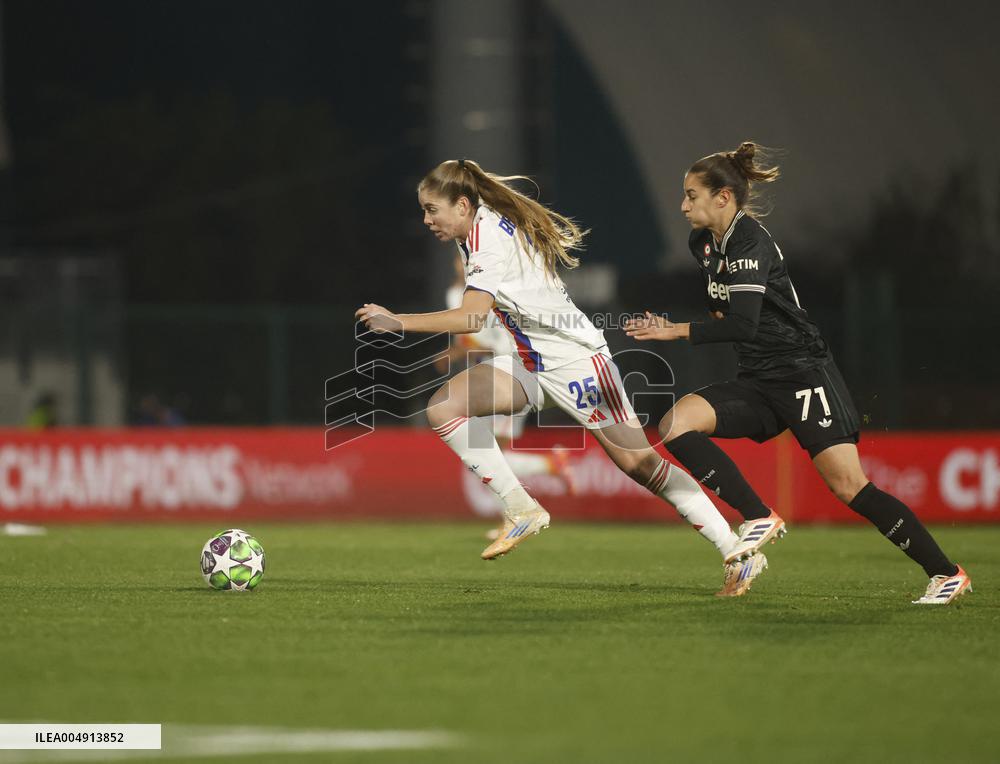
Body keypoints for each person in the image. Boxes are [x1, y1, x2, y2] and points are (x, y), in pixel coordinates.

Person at [357, 158, 769, 597]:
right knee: (444, 406)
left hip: (575, 360)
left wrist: (397, 321)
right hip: (531, 362)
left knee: (640, 464)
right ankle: (521, 509)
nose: (426, 220)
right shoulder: (476, 232)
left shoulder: (487, 237)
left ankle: (739, 554)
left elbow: (472, 317)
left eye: (431, 209)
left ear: (461, 205)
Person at [625, 141, 971, 605]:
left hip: (802, 373)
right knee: (675, 424)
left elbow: (745, 326)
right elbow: (731, 318)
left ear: (723, 197)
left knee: (850, 487)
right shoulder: (704, 243)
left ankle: (945, 573)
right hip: (758, 377)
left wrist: (675, 331)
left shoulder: (750, 240)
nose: (683, 204)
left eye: (692, 194)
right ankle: (758, 516)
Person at [438, 252, 577, 536]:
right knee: (484, 453)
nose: (460, 264)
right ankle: (530, 494)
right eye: (456, 259)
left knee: (490, 453)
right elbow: (467, 338)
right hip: (484, 379)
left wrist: (457, 352)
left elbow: (485, 342)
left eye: (464, 259)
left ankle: (544, 473)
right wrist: (457, 351)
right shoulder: (455, 294)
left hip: (508, 375)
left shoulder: (489, 292)